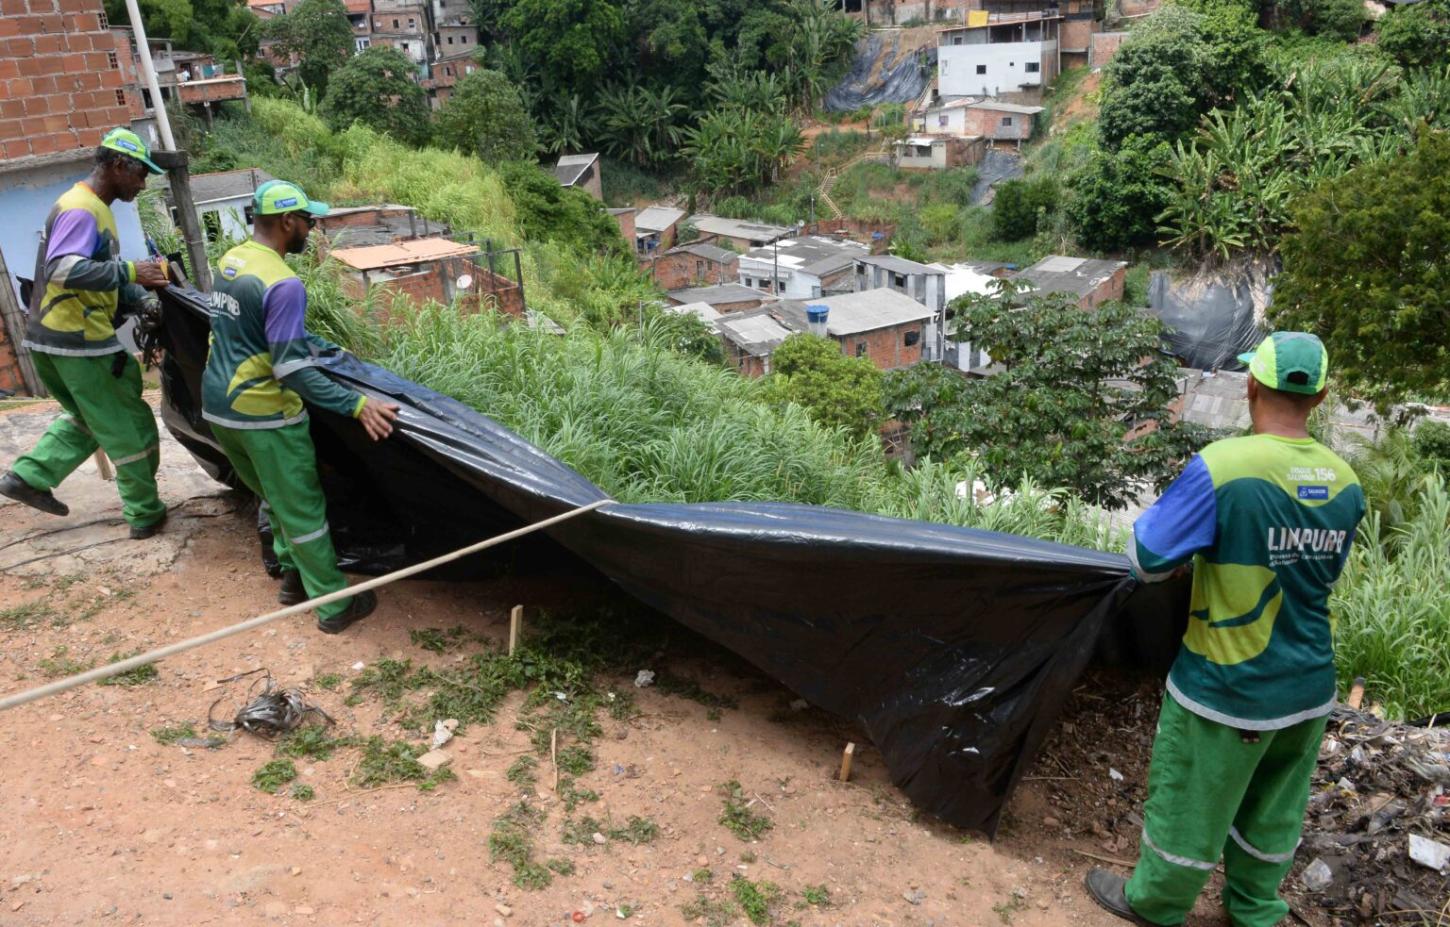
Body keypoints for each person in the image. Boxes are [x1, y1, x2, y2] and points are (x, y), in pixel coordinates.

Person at [1086, 332, 1366, 927]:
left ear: (1251, 386)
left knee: (1190, 802)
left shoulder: (1223, 467)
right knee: (1274, 811)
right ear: (1319, 398)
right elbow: (1320, 571)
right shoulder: (1346, 481)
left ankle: (1157, 903)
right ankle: (1255, 909)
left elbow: (1145, 560)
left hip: (1227, 686)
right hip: (1308, 686)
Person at [204, 179, 399, 634]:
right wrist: (356, 404)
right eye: (308, 221)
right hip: (263, 414)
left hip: (218, 408)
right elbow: (290, 369)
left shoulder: (232, 260)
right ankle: (333, 605)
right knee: (303, 510)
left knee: (274, 498)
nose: (312, 229)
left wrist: (321, 346)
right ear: (288, 222)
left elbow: (251, 332)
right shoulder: (284, 283)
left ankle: (293, 577)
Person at [0, 128, 172, 539]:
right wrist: (131, 271)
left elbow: (96, 272)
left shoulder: (92, 207)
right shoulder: (82, 209)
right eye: (140, 174)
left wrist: (137, 297)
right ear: (119, 165)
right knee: (127, 423)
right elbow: (63, 269)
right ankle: (145, 513)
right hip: (78, 341)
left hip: (53, 338)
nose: (142, 184)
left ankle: (28, 477)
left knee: (92, 417)